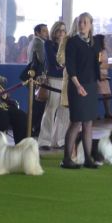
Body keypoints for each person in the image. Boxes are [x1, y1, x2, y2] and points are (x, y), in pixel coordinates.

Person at [61, 13, 101, 169]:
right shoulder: (72, 42)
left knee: (88, 123)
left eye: (85, 22)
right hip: (78, 85)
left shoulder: (95, 42)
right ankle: (66, 159)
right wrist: (78, 86)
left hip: (91, 85)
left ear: (91, 24)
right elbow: (70, 67)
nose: (82, 25)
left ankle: (88, 158)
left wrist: (110, 68)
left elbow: (95, 64)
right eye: (80, 22)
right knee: (76, 122)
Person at [39, 21, 69, 150]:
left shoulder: (68, 45)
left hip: (66, 80)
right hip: (53, 79)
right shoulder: (49, 44)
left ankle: (59, 140)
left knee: (65, 111)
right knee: (51, 109)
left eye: (64, 30)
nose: (61, 33)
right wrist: (65, 66)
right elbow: (53, 61)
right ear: (54, 32)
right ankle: (44, 141)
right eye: (59, 30)